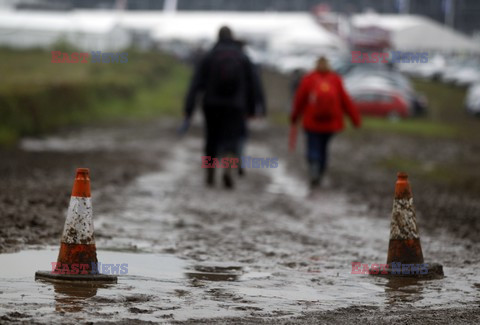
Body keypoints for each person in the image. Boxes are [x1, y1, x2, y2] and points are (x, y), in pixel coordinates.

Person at [182, 26, 264, 189]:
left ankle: (210, 171)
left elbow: (195, 83)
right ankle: (228, 167)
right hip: (236, 106)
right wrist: (255, 108)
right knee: (232, 140)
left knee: (211, 139)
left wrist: (189, 107)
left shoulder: (209, 55)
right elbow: (254, 84)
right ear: (232, 36)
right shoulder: (242, 56)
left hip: (211, 105)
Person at [290, 56, 361, 189]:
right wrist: (355, 119)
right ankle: (320, 172)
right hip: (331, 123)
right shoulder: (335, 79)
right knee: (323, 148)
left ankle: (314, 169)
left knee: (313, 146)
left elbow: (300, 100)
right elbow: (345, 101)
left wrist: (294, 116)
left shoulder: (308, 79)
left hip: (312, 121)